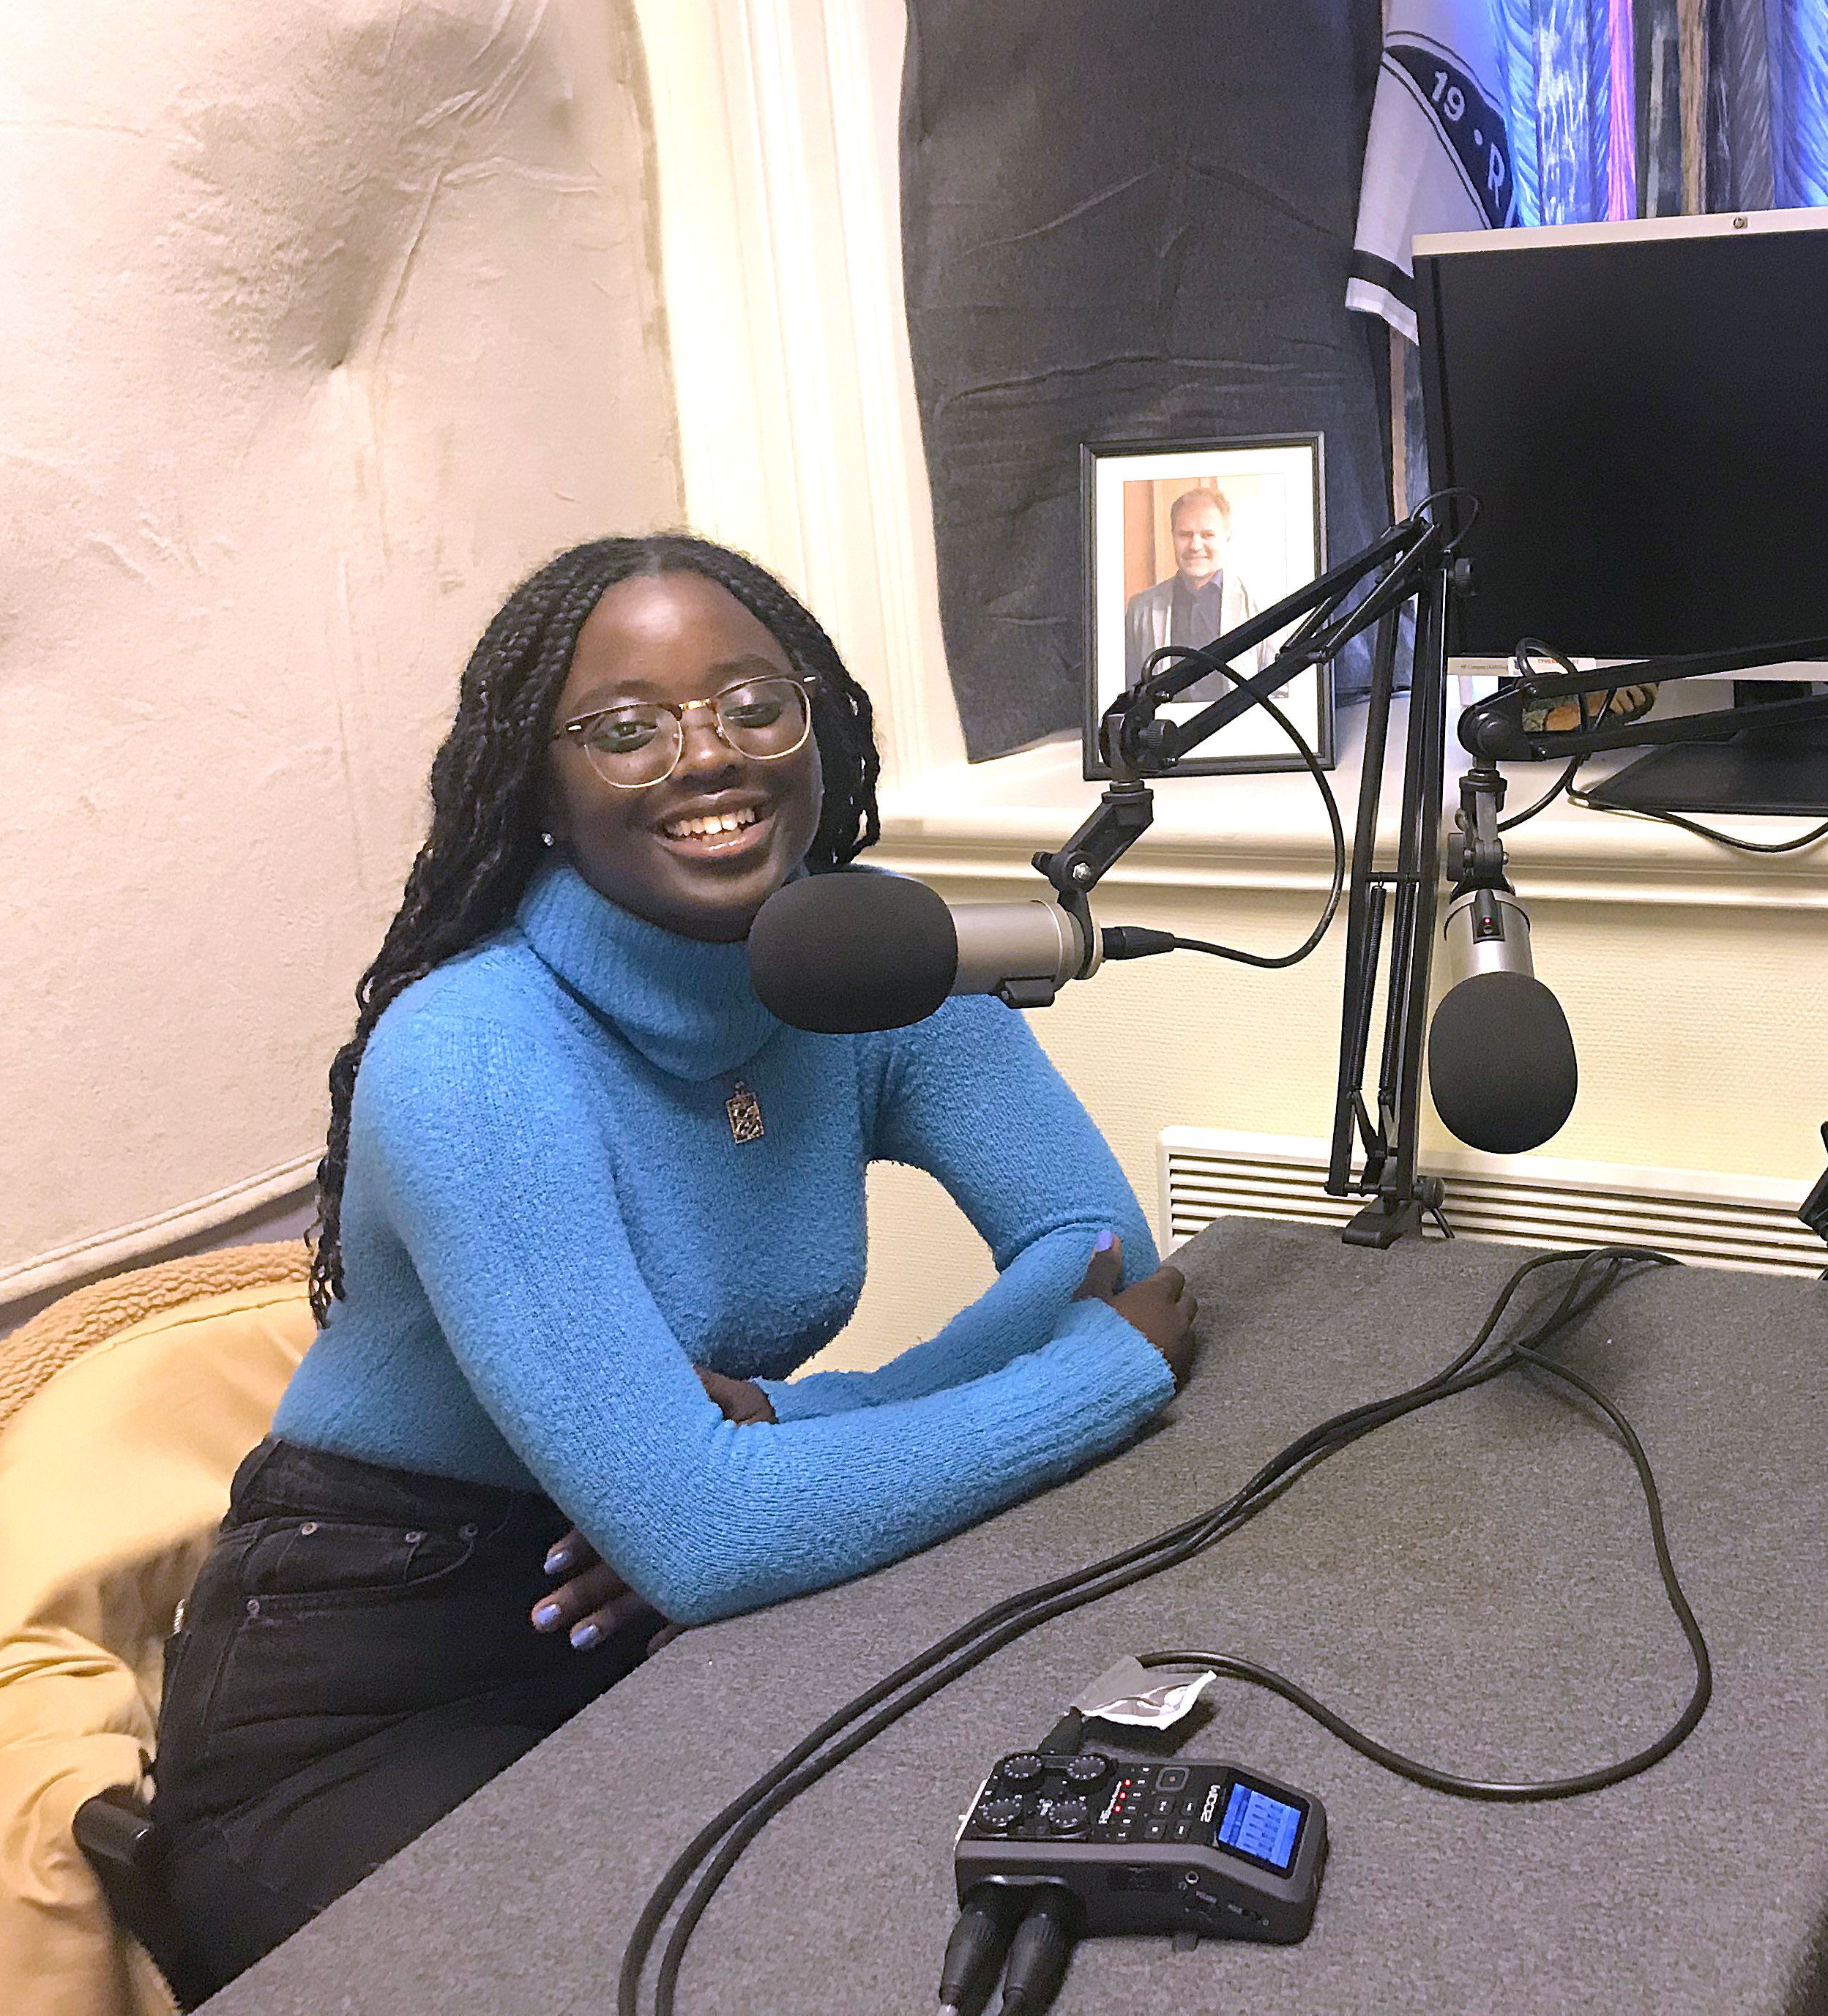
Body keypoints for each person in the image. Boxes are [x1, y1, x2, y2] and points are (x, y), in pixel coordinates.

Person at [147, 532, 1198, 1996]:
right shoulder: (474, 1054)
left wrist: (794, 1430)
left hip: (662, 1615)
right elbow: (710, 1536)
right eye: (627, 728)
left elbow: (1089, 1248)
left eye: (754, 704)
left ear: (819, 726)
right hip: (378, 1679)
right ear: (538, 783)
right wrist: (1100, 1378)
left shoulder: (867, 963)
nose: (710, 754)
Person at [1124, 483, 1273, 697]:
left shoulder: (1261, 605)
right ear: (1172, 536)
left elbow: (1278, 691)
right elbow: (1128, 691)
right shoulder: (1141, 609)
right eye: (1185, 534)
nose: (1195, 546)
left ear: (1227, 536)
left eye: (1207, 535)